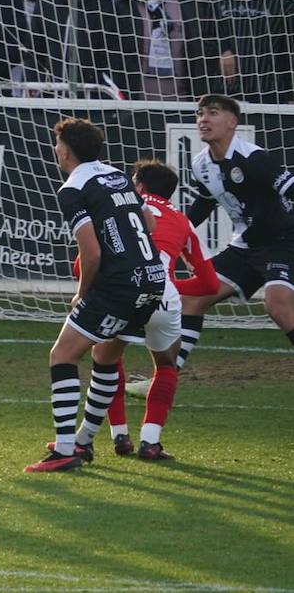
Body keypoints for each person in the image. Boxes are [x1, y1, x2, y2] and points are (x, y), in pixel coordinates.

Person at [24, 117, 166, 473]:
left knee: (62, 355)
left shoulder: (72, 188)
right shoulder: (117, 174)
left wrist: (81, 293)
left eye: (57, 145)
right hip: (151, 279)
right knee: (104, 358)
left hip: (118, 284)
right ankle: (83, 442)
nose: (55, 151)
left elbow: (91, 252)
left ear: (66, 151)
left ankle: (65, 451)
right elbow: (150, 225)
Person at [102, 159, 220, 461]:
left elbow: (84, 262)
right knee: (166, 366)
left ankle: (119, 437)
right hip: (162, 297)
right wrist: (168, 285)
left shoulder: (119, 210)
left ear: (138, 186)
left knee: (107, 361)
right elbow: (209, 284)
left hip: (120, 294)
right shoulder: (183, 221)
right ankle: (151, 442)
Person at [176, 94, 294, 366]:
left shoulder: (253, 158)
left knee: (277, 305)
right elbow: (205, 202)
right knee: (190, 299)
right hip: (245, 246)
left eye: (213, 113)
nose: (204, 119)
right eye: (200, 113)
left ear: (232, 122)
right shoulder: (200, 163)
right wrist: (179, 234)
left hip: (283, 241)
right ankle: (164, 379)